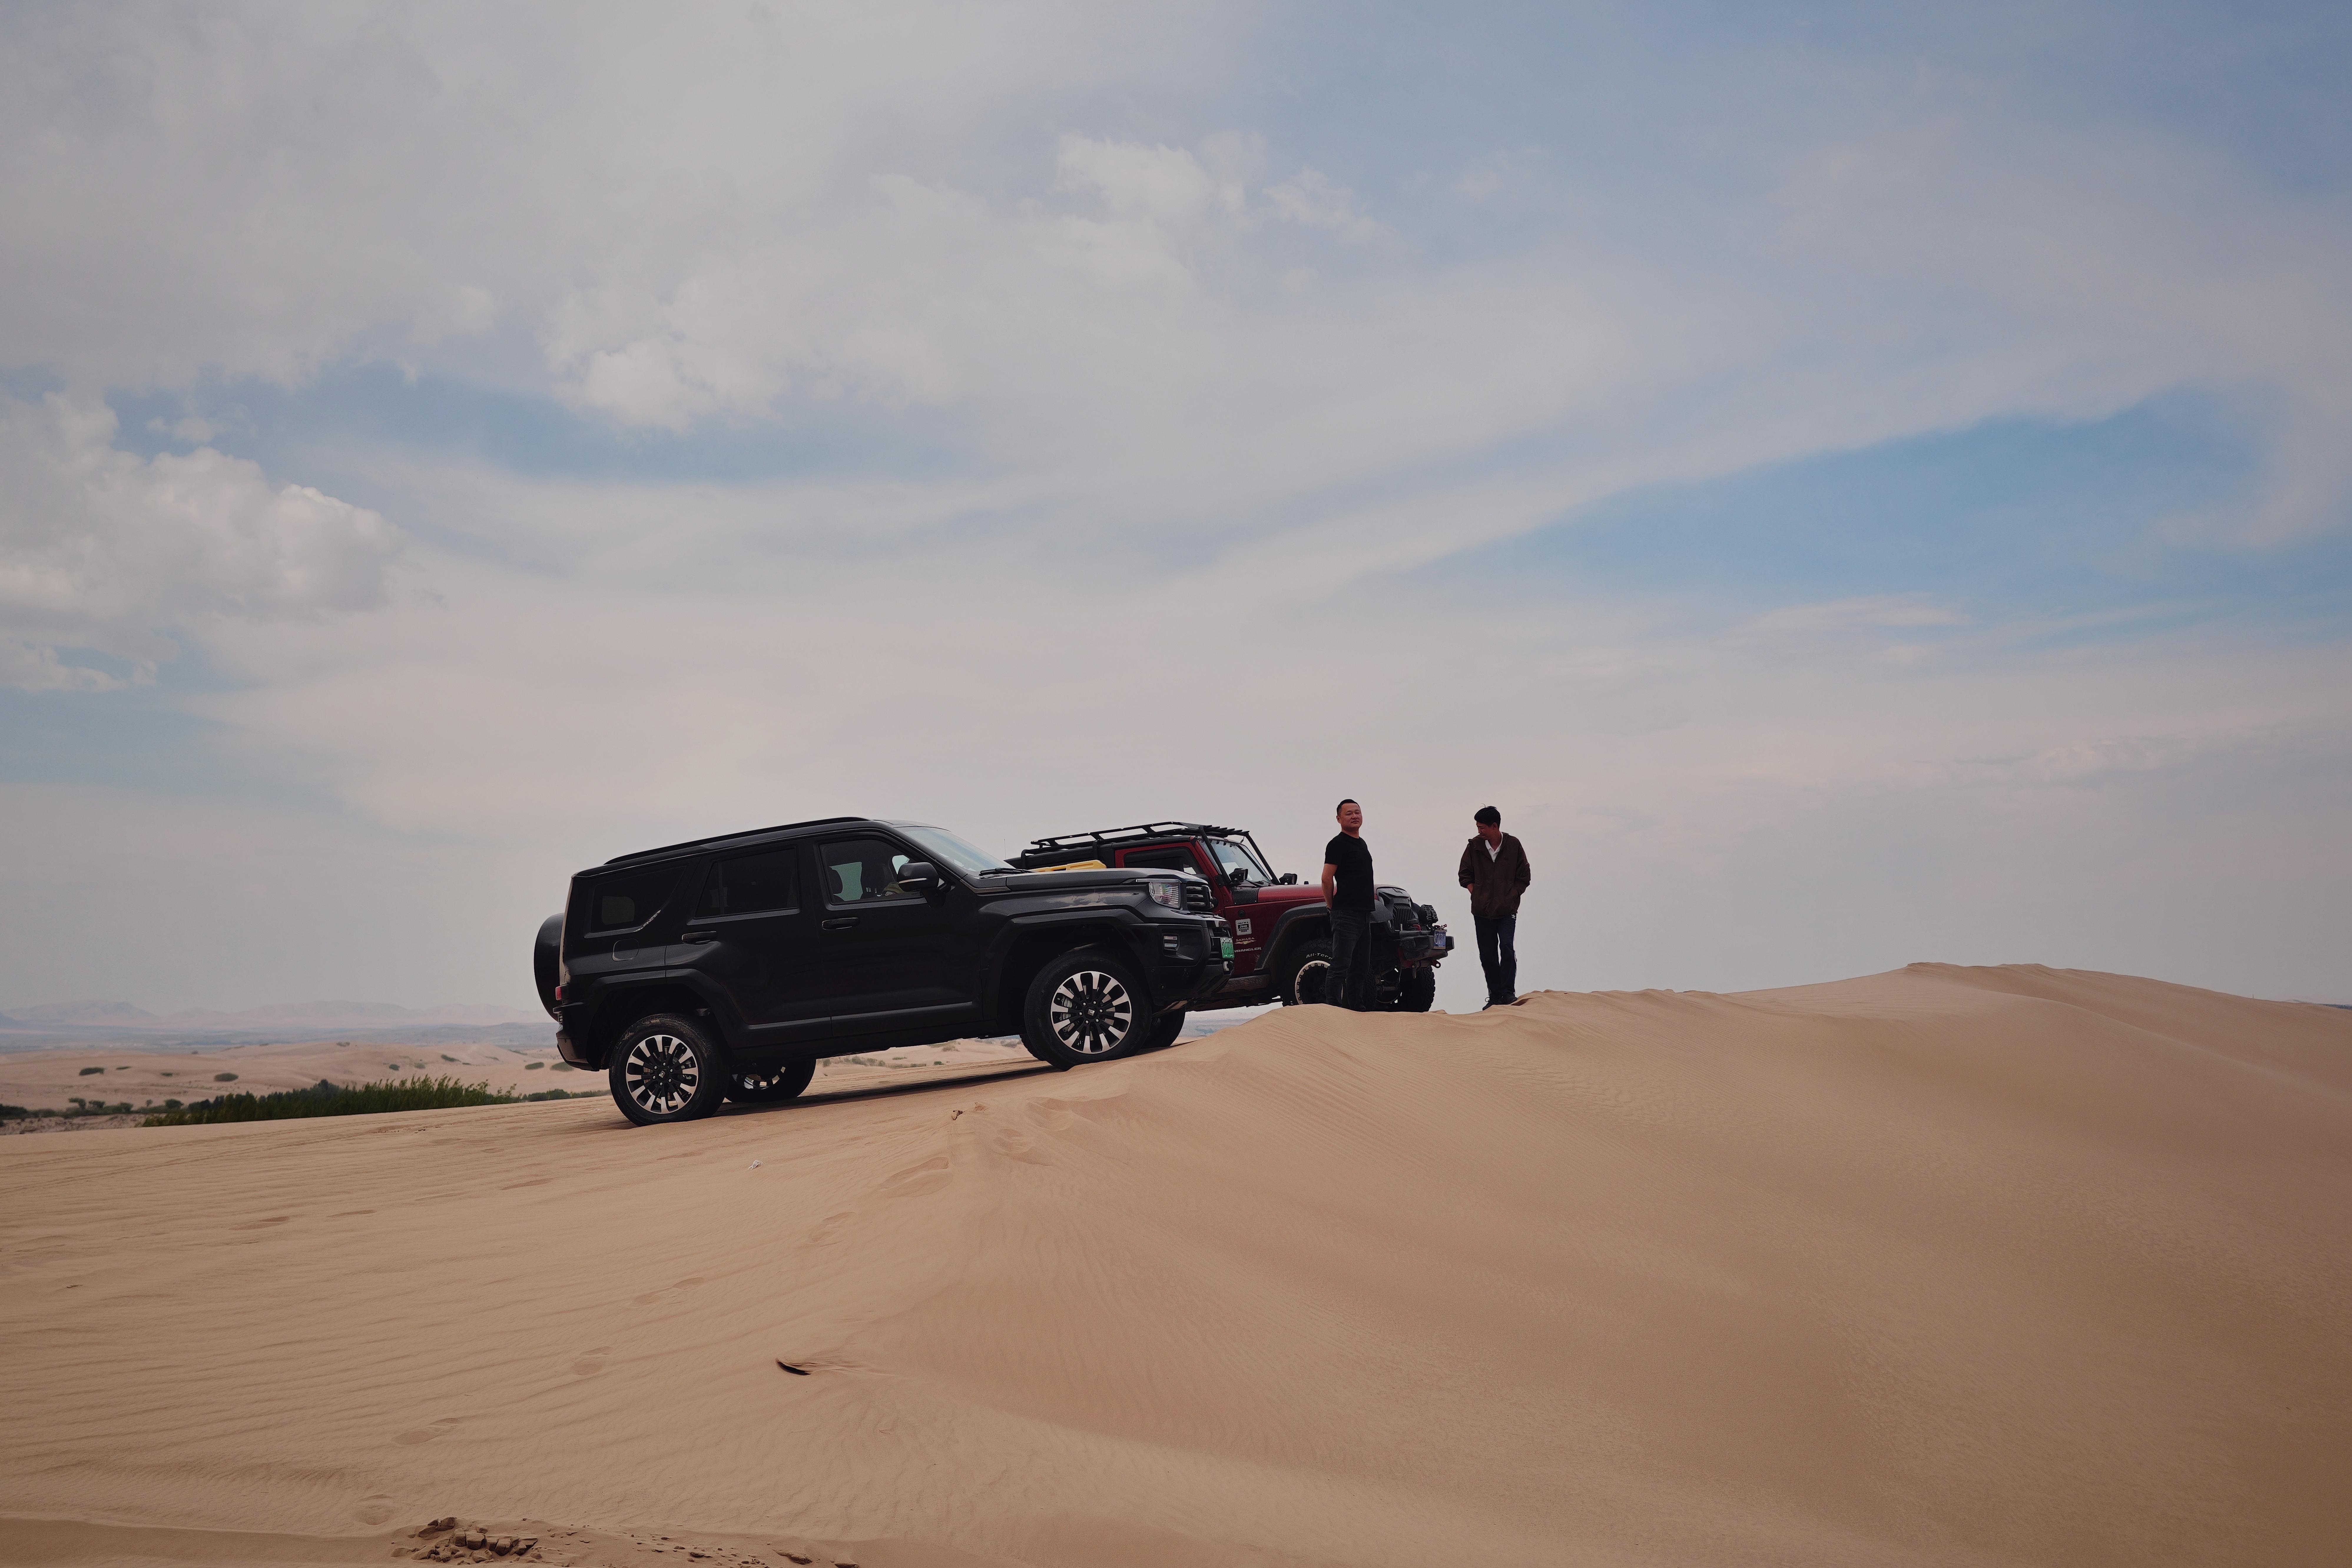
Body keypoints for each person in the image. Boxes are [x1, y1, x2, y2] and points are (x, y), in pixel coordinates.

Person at [1458, 805, 1531, 1008]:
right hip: (1482, 912)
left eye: (1482, 827)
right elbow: (1464, 875)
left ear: (1494, 826)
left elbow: (1524, 876)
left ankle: (1508, 993)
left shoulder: (1514, 845)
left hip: (1507, 911)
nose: (1479, 831)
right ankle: (1495, 996)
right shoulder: (1473, 847)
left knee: (1507, 948)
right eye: (1477, 827)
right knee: (1487, 954)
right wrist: (1477, 893)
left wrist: (1512, 895)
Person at [1320, 798, 1376, 1010]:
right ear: (1339, 819)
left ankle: (1356, 1008)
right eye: (1349, 814)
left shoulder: (1361, 843)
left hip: (1364, 914)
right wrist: (1331, 907)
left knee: (1361, 967)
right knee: (1341, 964)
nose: (1355, 816)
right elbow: (1327, 878)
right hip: (1345, 913)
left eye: (1358, 813)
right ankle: (1333, 1009)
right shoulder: (1337, 844)